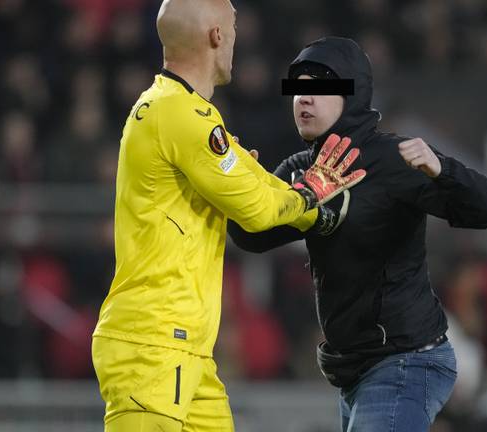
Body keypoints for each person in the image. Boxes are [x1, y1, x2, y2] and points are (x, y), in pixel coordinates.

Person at [90, 3, 366, 431]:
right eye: (234, 27)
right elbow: (256, 209)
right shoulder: (183, 117)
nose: (237, 39)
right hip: (153, 345)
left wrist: (302, 202)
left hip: (188, 349)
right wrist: (313, 197)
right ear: (217, 35)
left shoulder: (178, 111)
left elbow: (257, 185)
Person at [228, 37, 487, 431]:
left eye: (318, 88)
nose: (303, 99)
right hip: (356, 370)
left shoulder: (393, 159)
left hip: (407, 359)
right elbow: (249, 236)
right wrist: (243, 186)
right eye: (297, 89)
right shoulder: (301, 170)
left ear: (353, 93)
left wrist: (444, 169)